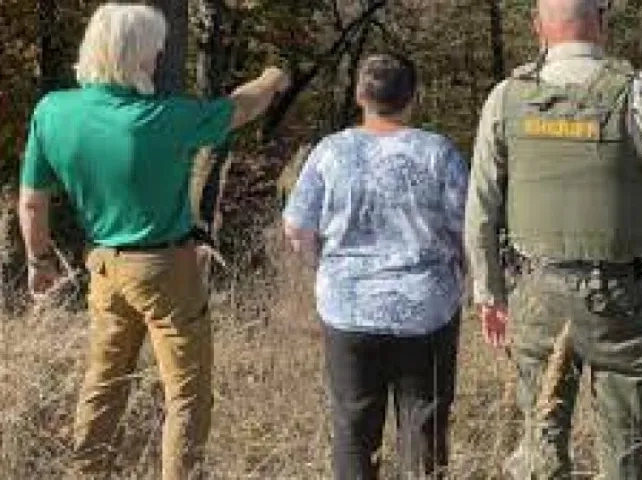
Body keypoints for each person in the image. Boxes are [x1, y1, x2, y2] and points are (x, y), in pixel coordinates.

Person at [18, 4, 289, 478]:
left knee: (103, 383)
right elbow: (242, 107)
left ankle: (87, 471)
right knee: (186, 393)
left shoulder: (53, 111)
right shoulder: (163, 117)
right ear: (137, 54)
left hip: (102, 266)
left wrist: (38, 259)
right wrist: (270, 77)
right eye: (154, 46)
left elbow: (31, 203)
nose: (161, 52)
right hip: (166, 271)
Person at [464, 0, 642, 478]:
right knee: (625, 446)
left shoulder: (505, 99)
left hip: (535, 292)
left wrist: (488, 292)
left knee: (541, 439)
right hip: (621, 296)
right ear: (601, 24)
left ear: (538, 27)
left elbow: (481, 209)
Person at [283, 54, 468, 479]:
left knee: (352, 427)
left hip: (348, 309)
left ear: (359, 95)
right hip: (426, 309)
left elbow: (296, 227)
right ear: (413, 96)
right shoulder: (437, 152)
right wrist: (464, 274)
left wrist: (323, 269)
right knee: (423, 426)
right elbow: (467, 227)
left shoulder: (330, 151)